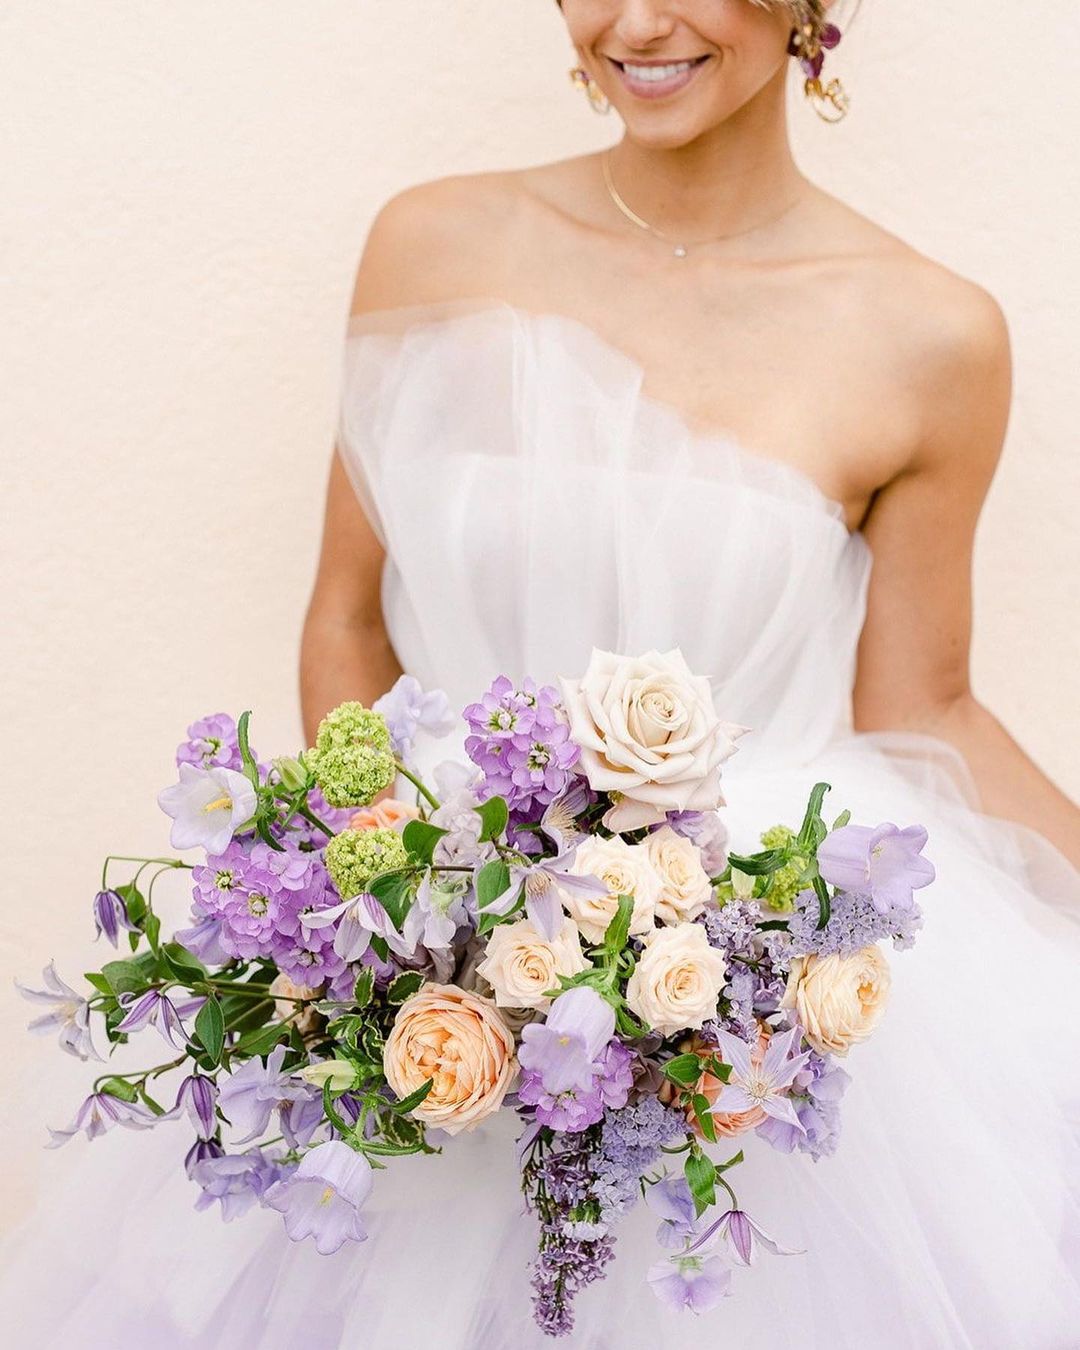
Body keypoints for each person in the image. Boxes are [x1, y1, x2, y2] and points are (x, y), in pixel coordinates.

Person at [3, 2, 1078, 1347]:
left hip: (735, 1006)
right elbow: (347, 619)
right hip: (442, 964)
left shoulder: (934, 336)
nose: (633, 23)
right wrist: (389, 911)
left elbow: (922, 706)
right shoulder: (429, 244)